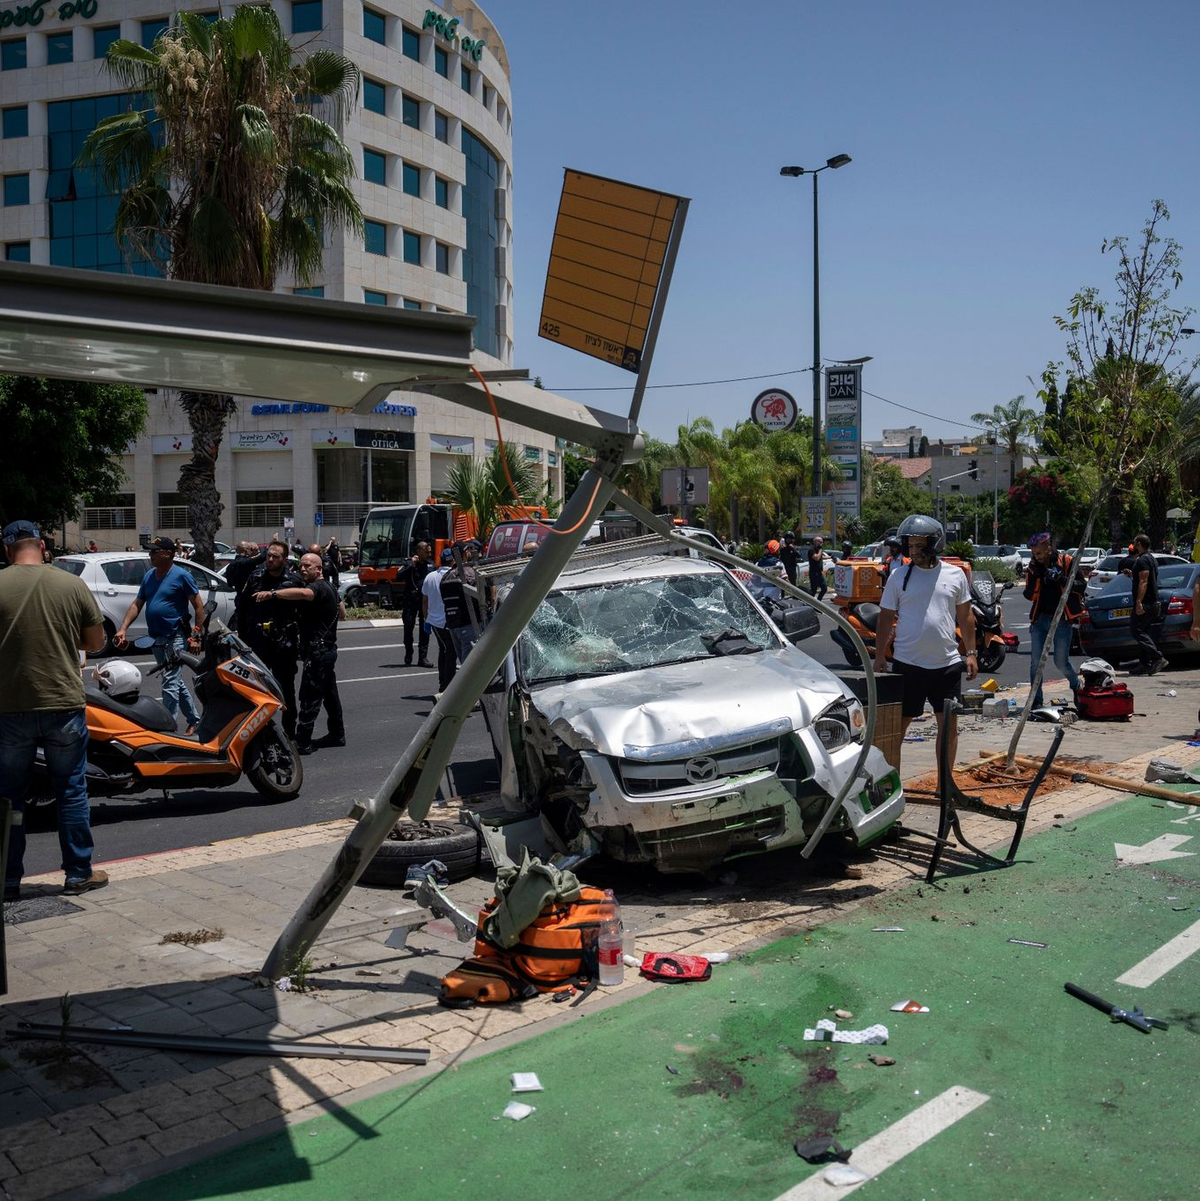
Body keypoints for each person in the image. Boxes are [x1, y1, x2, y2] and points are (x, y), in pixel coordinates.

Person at [1, 520, 108, 902]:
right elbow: (95, 642)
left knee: (9, 798)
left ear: (6, 550)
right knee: (71, 791)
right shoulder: (70, 584)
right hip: (63, 703)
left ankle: (7, 879)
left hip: (9, 708)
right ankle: (79, 873)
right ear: (43, 547)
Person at [873, 514, 976, 787]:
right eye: (911, 546)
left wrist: (972, 653)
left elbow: (965, 617)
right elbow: (885, 617)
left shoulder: (955, 575)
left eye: (920, 546)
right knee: (897, 729)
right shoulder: (898, 576)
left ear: (935, 544)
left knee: (949, 727)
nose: (914, 551)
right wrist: (880, 654)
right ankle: (889, 786)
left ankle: (945, 784)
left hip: (947, 665)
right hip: (908, 665)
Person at [114, 536, 204, 734]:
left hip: (175, 636)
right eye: (150, 551)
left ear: (168, 554)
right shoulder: (149, 576)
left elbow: (198, 606)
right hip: (155, 637)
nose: (150, 554)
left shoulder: (182, 576)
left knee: (170, 683)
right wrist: (123, 628)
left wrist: (196, 636)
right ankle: (194, 720)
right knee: (175, 682)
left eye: (155, 551)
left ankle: (166, 730)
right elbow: (137, 604)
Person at [259, 552, 345, 754]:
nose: (303, 569)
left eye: (308, 566)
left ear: (319, 569)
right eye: (301, 566)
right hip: (324, 650)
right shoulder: (330, 587)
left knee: (309, 696)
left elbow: (306, 595)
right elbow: (342, 613)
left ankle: (303, 741)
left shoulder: (318, 587)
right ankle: (337, 733)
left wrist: (273, 594)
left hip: (319, 652)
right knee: (329, 694)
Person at [242, 540, 303, 738]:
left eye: (275, 556)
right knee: (257, 689)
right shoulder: (256, 577)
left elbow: (305, 608)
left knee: (286, 689)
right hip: (258, 643)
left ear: (284, 559)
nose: (270, 559)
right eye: (268, 555)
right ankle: (261, 732)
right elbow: (243, 608)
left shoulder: (293, 580)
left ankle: (289, 733)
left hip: (284, 643)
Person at [1023, 533, 1083, 706]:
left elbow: (1081, 586)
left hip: (1062, 619)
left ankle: (1076, 685)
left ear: (1048, 549)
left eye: (1039, 553)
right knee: (1036, 663)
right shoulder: (1034, 566)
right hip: (1040, 619)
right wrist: (1035, 576)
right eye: (1034, 554)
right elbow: (1028, 595)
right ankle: (1036, 701)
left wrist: (1060, 579)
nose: (1036, 557)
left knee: (1060, 661)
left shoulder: (1067, 561)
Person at [440, 544, 486, 663]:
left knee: (463, 662)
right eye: (469, 549)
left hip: (453, 625)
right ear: (465, 552)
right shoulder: (469, 572)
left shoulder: (446, 576)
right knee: (470, 666)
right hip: (469, 624)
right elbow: (481, 594)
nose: (471, 551)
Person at [1128, 533, 1166, 675]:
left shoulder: (1143, 560)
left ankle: (1157, 657)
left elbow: (1144, 581)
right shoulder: (1151, 559)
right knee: (1144, 632)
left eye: (1134, 543)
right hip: (1152, 602)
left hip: (1146, 603)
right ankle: (1144, 664)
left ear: (1139, 544)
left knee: (1136, 630)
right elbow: (1144, 578)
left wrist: (1138, 602)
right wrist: (1131, 575)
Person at [422, 548, 456, 695]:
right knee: (450, 654)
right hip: (449, 621)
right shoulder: (453, 575)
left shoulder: (430, 576)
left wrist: (426, 618)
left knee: (444, 651)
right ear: (453, 560)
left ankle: (443, 683)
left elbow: (424, 600)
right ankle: (447, 687)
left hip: (434, 621)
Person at [396, 541, 433, 667]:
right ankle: (408, 652)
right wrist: (411, 563)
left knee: (425, 629)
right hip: (410, 601)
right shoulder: (409, 563)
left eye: (429, 552)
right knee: (408, 627)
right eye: (426, 552)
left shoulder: (429, 565)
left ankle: (423, 658)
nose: (429, 554)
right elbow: (398, 576)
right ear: (418, 551)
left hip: (424, 601)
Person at [226, 541, 265, 631]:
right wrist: (274, 543)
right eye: (250, 549)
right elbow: (261, 558)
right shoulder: (245, 563)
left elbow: (230, 583)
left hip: (239, 597)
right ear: (246, 550)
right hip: (248, 600)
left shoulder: (231, 566)